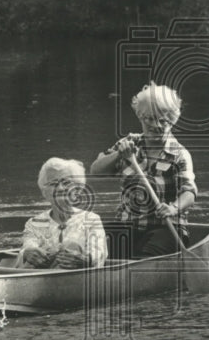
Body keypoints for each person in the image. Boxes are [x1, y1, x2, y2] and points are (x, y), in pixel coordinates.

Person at [90, 83, 197, 258]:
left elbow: (190, 193)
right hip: (127, 226)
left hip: (167, 228)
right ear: (140, 116)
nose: (155, 125)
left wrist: (173, 208)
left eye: (162, 120)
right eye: (149, 119)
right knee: (93, 246)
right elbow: (96, 171)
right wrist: (119, 154)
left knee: (147, 253)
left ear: (173, 120)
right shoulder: (128, 144)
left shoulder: (179, 154)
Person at [17, 158, 108, 269]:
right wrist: (28, 253)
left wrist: (85, 260)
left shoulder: (91, 219)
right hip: (40, 278)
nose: (60, 188)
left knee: (72, 246)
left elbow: (99, 253)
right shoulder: (34, 223)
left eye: (66, 183)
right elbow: (27, 246)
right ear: (44, 192)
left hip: (77, 279)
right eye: (53, 184)